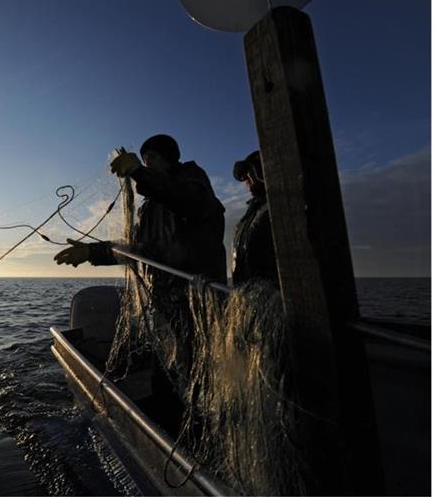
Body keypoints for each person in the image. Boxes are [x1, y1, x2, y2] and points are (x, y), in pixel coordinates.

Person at [54, 134, 226, 422]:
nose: (146, 164)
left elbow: (186, 201)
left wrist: (138, 172)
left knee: (199, 377)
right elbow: (140, 252)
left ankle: (198, 433)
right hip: (165, 303)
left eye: (151, 159)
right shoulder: (149, 208)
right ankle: (169, 432)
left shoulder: (193, 181)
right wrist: (92, 252)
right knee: (166, 379)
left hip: (198, 302)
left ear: (169, 158)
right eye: (143, 160)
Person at [231, 150, 278, 286]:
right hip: (250, 293)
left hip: (272, 294)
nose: (248, 183)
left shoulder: (279, 206)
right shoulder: (251, 214)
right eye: (245, 179)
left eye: (251, 175)